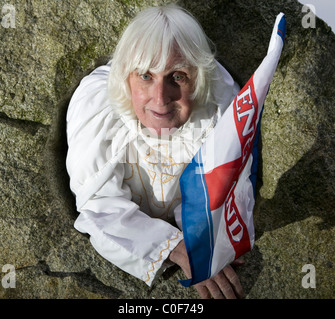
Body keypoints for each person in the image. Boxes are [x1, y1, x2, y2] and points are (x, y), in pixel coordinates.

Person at [66, 4, 244, 299]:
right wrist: (173, 246)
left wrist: (204, 237)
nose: (160, 99)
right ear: (125, 77)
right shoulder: (97, 106)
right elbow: (97, 205)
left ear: (198, 77)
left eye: (178, 76)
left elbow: (228, 188)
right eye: (145, 76)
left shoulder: (222, 106)